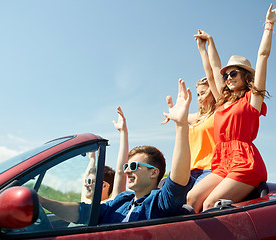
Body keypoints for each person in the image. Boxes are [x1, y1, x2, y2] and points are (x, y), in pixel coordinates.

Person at [39, 79, 193, 224]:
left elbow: (178, 180)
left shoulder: (159, 202)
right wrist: (41, 201)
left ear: (154, 173)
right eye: (127, 167)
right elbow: (81, 212)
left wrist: (181, 126)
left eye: (133, 167)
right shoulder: (122, 200)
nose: (126, 172)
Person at [186, 4, 276, 213]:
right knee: (192, 197)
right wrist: (207, 45)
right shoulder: (222, 100)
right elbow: (212, 69)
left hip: (245, 162)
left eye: (233, 74)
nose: (228, 78)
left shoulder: (252, 99)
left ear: (244, 76)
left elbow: (262, 56)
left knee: (209, 204)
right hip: (222, 161)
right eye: (226, 75)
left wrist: (268, 25)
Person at [187, 31, 223, 184]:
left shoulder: (220, 111)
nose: (200, 97)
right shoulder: (197, 118)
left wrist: (205, 47)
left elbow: (212, 74)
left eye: (203, 93)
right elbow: (180, 117)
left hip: (210, 170)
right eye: (197, 94)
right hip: (190, 171)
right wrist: (169, 115)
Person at [81, 106, 128, 203]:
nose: (86, 185)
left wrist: (123, 132)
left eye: (89, 182)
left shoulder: (109, 204)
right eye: (86, 181)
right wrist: (92, 160)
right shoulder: (85, 202)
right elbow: (85, 176)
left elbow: (121, 172)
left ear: (104, 185)